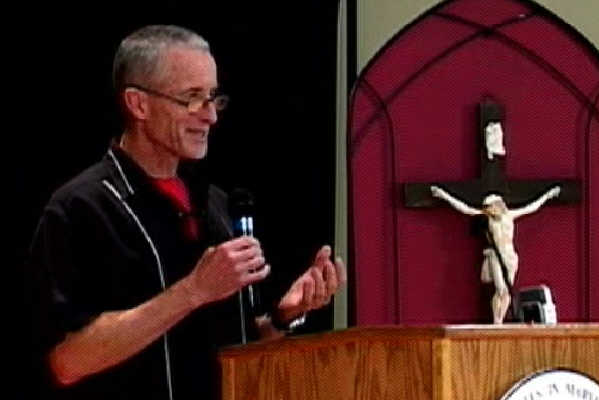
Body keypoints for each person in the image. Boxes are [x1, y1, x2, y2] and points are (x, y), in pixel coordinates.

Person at [27, 25, 345, 400]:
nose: (210, 116)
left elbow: (231, 349)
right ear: (138, 104)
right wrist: (193, 291)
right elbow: (67, 360)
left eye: (213, 98)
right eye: (192, 99)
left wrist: (282, 317)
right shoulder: (80, 208)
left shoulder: (214, 204)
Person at [430, 185, 560, 324]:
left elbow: (532, 207)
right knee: (500, 289)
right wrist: (443, 195)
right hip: (495, 256)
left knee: (507, 292)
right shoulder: (488, 218)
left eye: (492, 206)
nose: (491, 210)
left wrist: (548, 195)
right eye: (488, 207)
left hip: (509, 256)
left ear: (499, 205)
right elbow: (464, 208)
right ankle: (496, 320)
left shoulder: (510, 215)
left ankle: (500, 319)